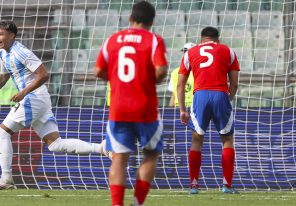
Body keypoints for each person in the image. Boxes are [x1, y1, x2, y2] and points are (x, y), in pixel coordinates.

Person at [0, 20, 112, 191]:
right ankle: (101, 148)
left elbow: (43, 75)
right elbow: (4, 76)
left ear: (12, 36)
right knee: (55, 144)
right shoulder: (4, 53)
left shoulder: (22, 52)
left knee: (1, 132)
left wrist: (23, 92)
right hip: (39, 99)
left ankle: (6, 179)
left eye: (1, 34)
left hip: (33, 98)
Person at [94, 2, 168, 206]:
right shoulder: (154, 40)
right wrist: (148, 79)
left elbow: (98, 71)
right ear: (152, 21)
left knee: (119, 159)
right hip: (146, 109)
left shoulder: (112, 40)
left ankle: (117, 204)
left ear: (130, 18)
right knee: (151, 154)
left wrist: (117, 78)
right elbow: (161, 71)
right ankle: (137, 202)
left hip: (118, 108)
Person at [177, 27, 240, 194]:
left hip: (200, 96)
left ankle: (194, 186)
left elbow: (180, 85)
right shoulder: (229, 51)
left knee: (197, 141)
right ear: (217, 39)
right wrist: (228, 100)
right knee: (227, 140)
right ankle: (226, 185)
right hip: (221, 94)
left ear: (202, 38)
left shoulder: (190, 52)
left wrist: (182, 110)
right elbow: (234, 83)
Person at [168, 42, 195, 107]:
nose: (186, 54)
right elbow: (173, 95)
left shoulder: (199, 72)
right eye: (185, 52)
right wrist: (169, 111)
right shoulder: (175, 73)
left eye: (188, 52)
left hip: (194, 108)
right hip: (178, 109)